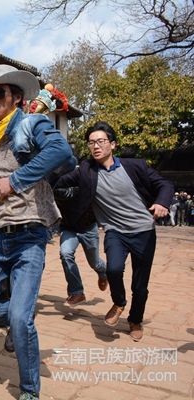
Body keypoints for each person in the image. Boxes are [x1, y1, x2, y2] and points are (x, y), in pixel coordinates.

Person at [0, 64, 74, 400]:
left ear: (16, 97)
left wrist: (15, 181)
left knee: (20, 318)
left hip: (29, 235)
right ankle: (19, 315)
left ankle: (29, 390)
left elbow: (62, 153)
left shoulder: (31, 124)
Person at [55, 121, 173, 342]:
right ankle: (119, 302)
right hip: (115, 232)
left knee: (140, 285)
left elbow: (165, 185)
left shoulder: (135, 166)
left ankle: (135, 320)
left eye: (101, 141)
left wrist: (161, 203)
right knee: (113, 269)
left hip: (144, 232)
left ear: (113, 144)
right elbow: (60, 183)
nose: (96, 146)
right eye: (91, 142)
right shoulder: (86, 170)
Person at [53, 184, 107, 305]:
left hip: (88, 228)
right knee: (65, 253)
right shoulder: (55, 182)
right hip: (68, 228)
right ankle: (77, 292)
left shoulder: (86, 181)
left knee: (94, 262)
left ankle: (103, 271)